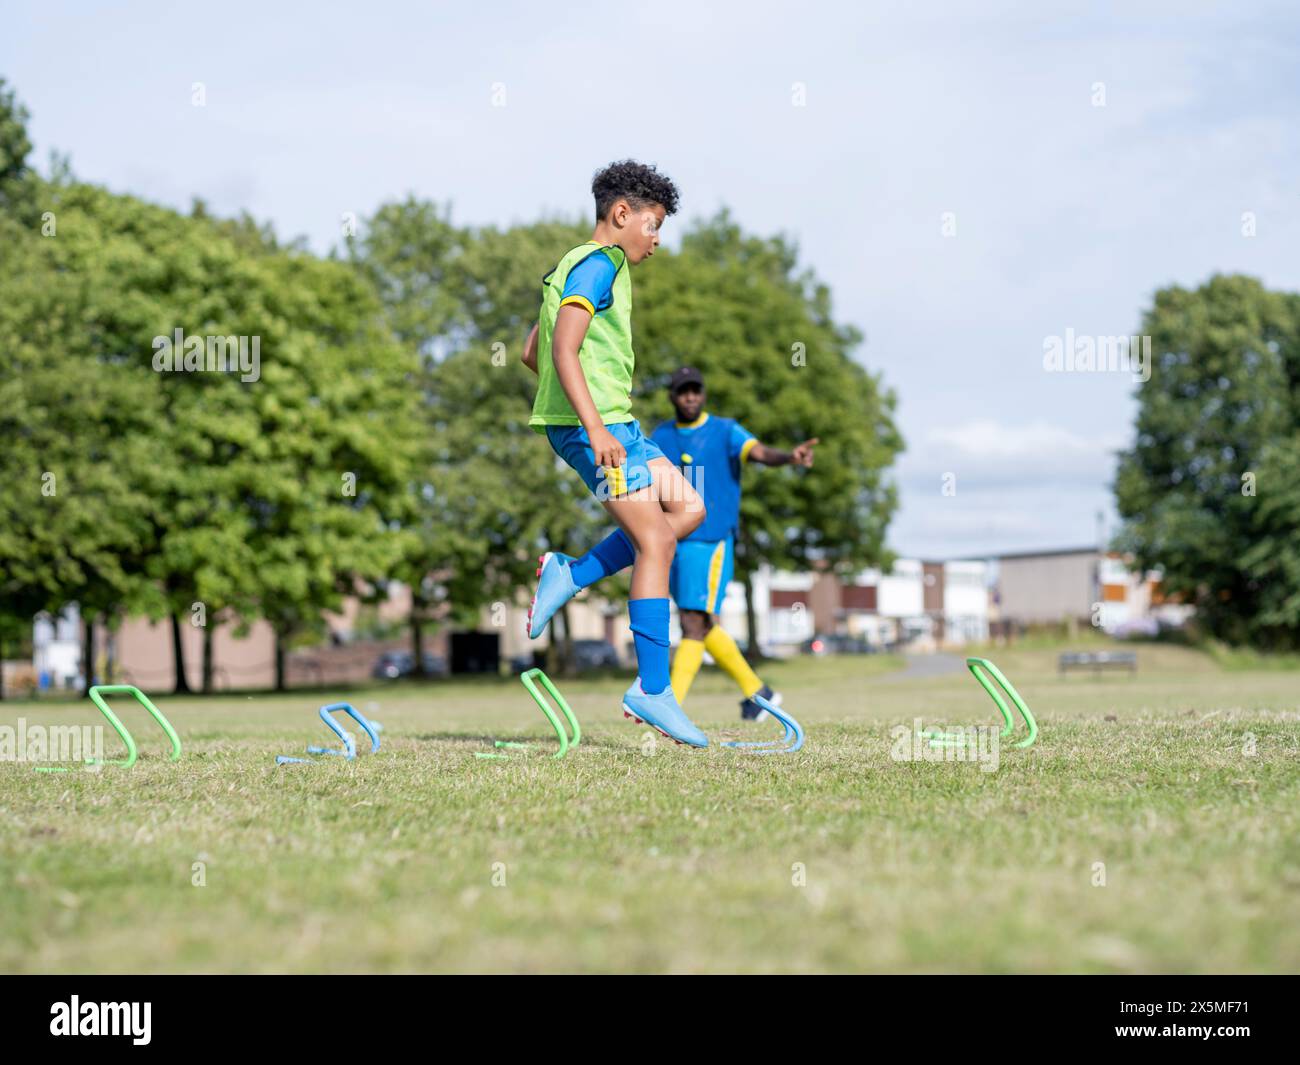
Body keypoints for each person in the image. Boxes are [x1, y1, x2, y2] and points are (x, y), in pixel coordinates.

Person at [521, 160, 710, 748]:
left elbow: (529, 351)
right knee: (655, 541)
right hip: (595, 430)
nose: (655, 241)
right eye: (652, 227)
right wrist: (593, 426)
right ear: (621, 214)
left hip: (621, 425)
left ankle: (571, 572)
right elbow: (560, 349)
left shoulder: (570, 266)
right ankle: (653, 690)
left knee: (689, 510)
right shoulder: (600, 266)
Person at [650, 367, 818, 718]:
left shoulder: (725, 431)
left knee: (694, 623)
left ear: (704, 394)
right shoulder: (660, 436)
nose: (691, 397)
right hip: (675, 540)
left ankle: (670, 709)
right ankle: (759, 693)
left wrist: (789, 457)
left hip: (712, 540)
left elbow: (759, 453)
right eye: (683, 391)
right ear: (672, 396)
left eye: (696, 390)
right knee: (696, 622)